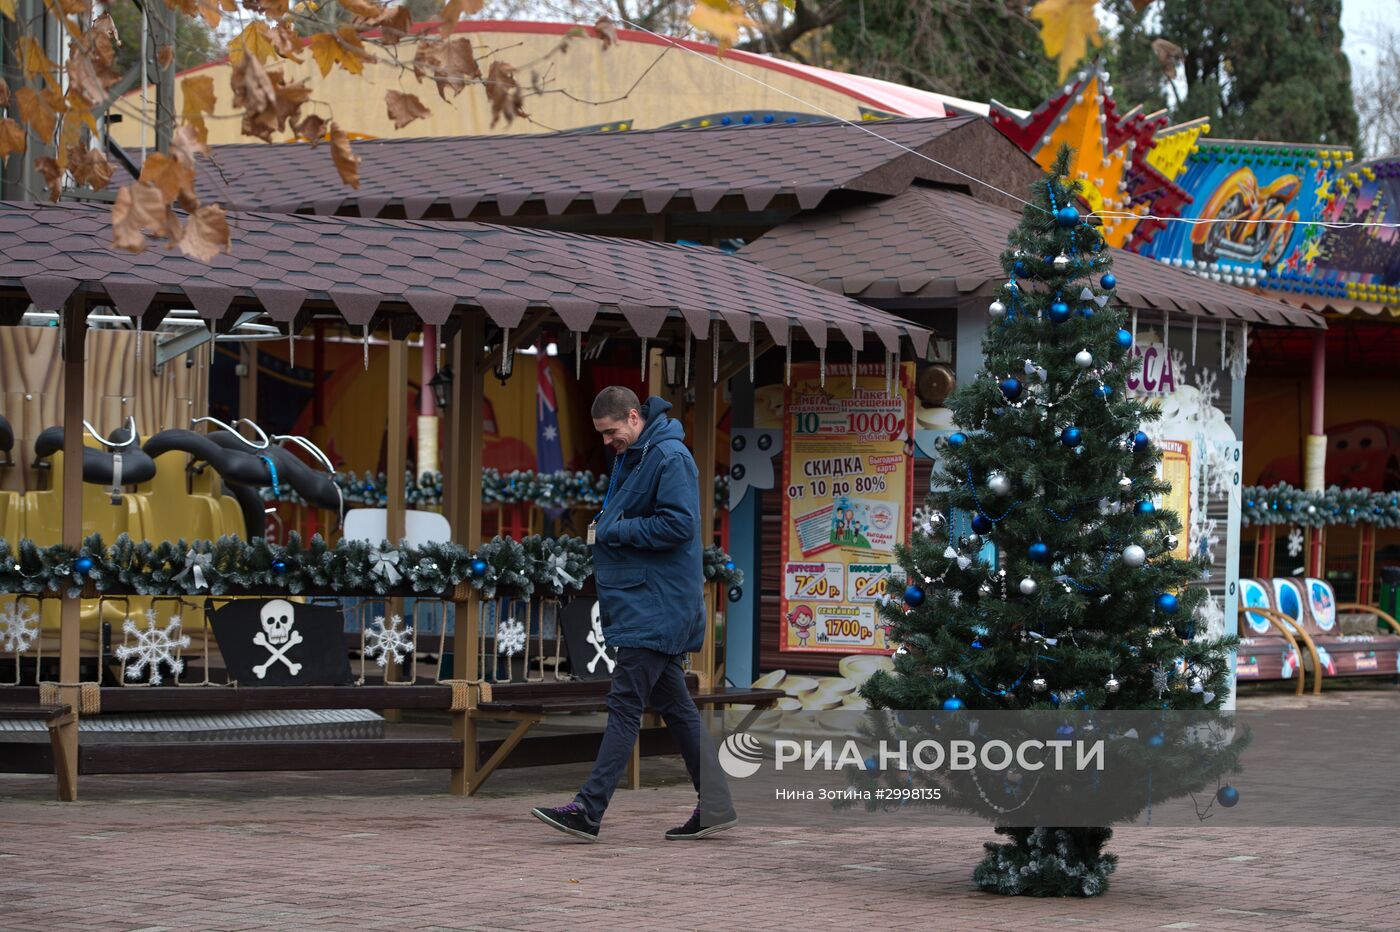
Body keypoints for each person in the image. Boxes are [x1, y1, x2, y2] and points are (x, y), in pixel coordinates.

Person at [531, 386, 737, 843]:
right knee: (675, 706)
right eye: (602, 435)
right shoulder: (639, 454)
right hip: (651, 601)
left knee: (625, 705)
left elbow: (680, 525)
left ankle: (588, 808)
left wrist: (613, 531)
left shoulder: (669, 457)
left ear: (633, 416)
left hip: (656, 604)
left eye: (611, 432)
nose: (607, 442)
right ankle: (717, 803)